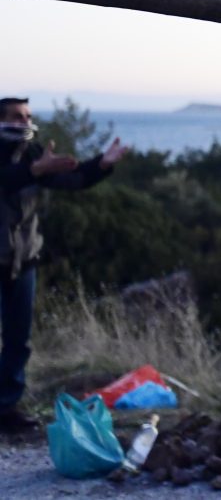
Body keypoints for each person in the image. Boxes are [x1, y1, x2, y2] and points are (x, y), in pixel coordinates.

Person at [0, 97, 127, 432]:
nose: (24, 122)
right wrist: (32, 171)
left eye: (27, 116)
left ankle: (5, 409)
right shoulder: (28, 163)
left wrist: (102, 164)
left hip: (22, 259)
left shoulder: (31, 154)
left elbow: (69, 179)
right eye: (16, 117)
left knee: (18, 339)